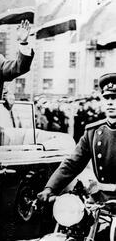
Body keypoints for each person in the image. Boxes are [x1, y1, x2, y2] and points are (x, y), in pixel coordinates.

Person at [38, 73, 116, 203]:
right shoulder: (93, 132)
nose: (110, 103)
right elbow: (72, 163)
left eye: (114, 98)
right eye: (107, 98)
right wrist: (50, 188)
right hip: (102, 201)